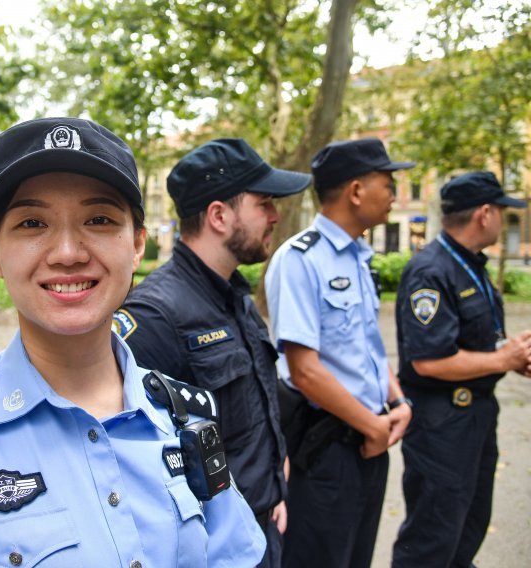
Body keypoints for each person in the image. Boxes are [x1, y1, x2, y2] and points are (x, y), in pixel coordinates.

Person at [0, 118, 266, 567]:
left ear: (137, 245)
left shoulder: (183, 418)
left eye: (99, 220)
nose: (68, 253)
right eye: (32, 223)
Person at [115, 138, 312, 567]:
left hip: (262, 522)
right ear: (219, 216)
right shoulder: (155, 315)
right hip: (213, 548)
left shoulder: (235, 295)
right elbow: (129, 460)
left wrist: (274, 481)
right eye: (264, 204)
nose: (276, 216)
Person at [265, 138, 414, 568]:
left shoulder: (359, 258)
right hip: (326, 448)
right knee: (321, 556)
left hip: (370, 439)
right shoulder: (300, 260)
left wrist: (397, 399)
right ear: (355, 191)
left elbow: (367, 344)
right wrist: (373, 427)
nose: (393, 195)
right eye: (387, 184)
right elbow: (305, 370)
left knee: (357, 556)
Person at [392, 171, 531, 568]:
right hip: (443, 425)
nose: (503, 221)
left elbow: (474, 340)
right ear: (484, 214)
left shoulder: (470, 264)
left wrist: (511, 355)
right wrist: (502, 360)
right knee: (432, 539)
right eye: (502, 212)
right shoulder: (431, 271)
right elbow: (429, 359)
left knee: (466, 529)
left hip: (476, 417)